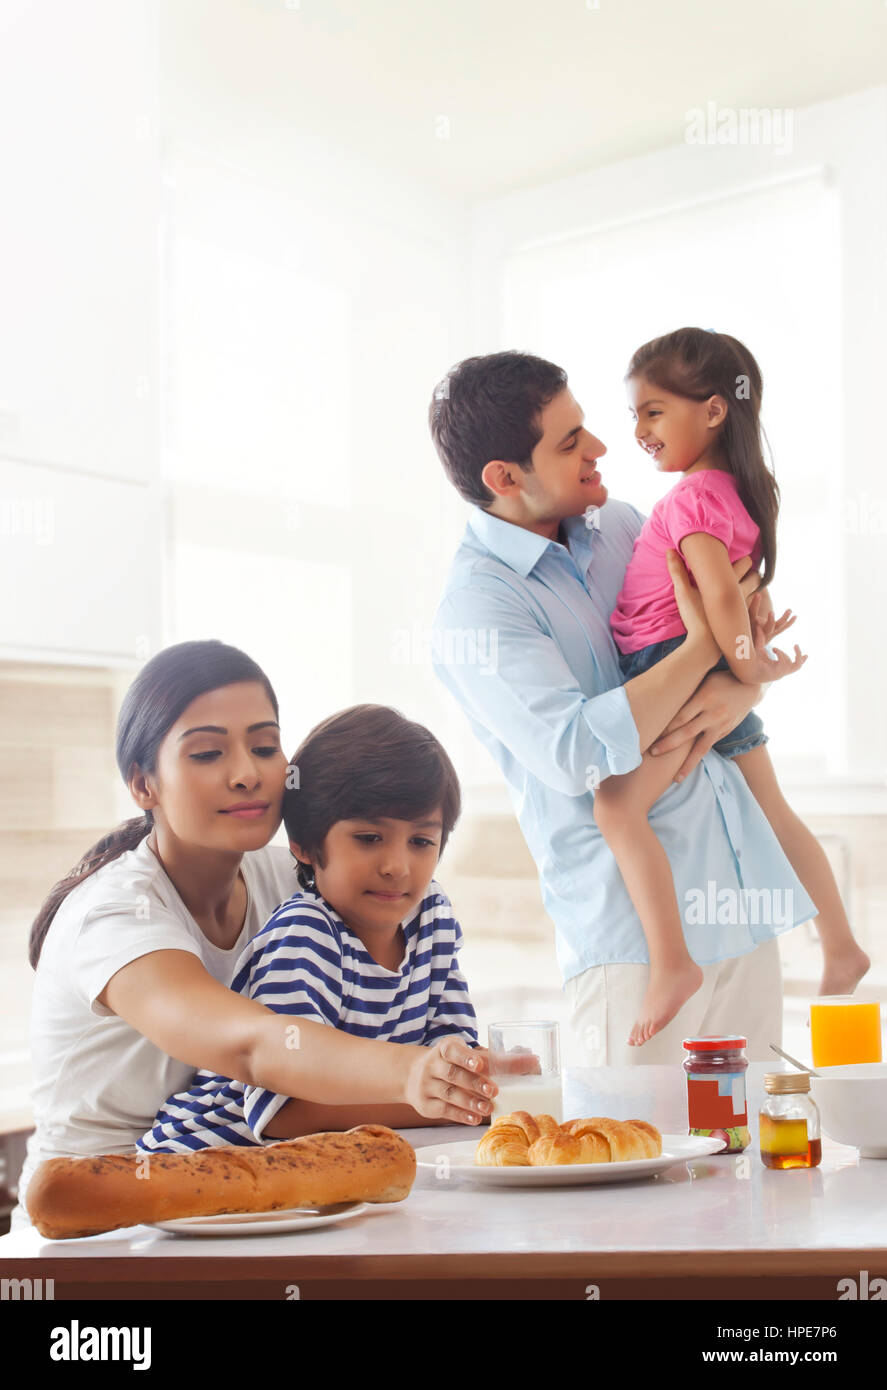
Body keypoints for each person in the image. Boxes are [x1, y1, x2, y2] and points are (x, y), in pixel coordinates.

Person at [11, 641, 495, 1231]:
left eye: (265, 747)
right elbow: (254, 1048)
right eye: (209, 753)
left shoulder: (285, 875)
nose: (247, 774)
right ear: (144, 784)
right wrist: (416, 1074)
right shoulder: (114, 916)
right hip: (109, 1216)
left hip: (248, 1196)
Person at [428, 349, 817, 1070]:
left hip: (735, 905)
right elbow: (576, 749)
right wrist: (704, 652)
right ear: (503, 478)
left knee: (758, 1164)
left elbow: (736, 629)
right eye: (570, 441)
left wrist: (743, 685)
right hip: (631, 946)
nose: (602, 449)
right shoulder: (476, 609)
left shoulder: (625, 526)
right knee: (632, 1166)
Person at [599, 327, 870, 1044]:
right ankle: (839, 945)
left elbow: (719, 599)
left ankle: (670, 963)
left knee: (618, 810)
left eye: (652, 412)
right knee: (773, 808)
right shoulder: (733, 492)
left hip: (665, 667)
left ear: (714, 411)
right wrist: (746, 671)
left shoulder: (691, 499)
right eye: (633, 415)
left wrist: (748, 670)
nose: (638, 431)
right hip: (687, 666)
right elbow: (733, 602)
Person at [138, 704, 479, 1152]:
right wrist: (441, 1098)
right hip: (203, 1161)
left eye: (421, 841)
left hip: (328, 1172)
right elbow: (283, 1113)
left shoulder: (431, 917)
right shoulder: (305, 935)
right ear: (303, 847)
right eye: (369, 838)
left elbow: (457, 1062)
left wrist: (468, 1083)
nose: (397, 866)